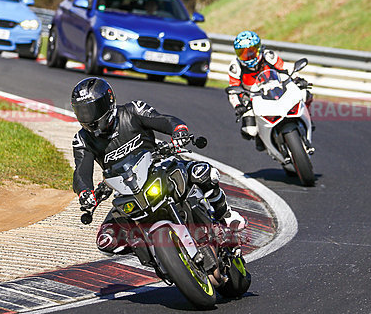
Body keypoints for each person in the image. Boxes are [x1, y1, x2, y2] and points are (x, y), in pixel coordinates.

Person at [71, 77, 245, 255]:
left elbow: (163, 119)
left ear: (108, 100)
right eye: (83, 112)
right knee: (106, 240)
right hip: (127, 189)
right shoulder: (82, 140)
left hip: (159, 167)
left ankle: (226, 215)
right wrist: (85, 192)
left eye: (93, 109)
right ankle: (155, 255)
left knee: (203, 173)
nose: (89, 117)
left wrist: (179, 131)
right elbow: (81, 172)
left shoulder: (133, 110)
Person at [226, 30, 312, 148]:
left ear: (258, 48)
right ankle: (261, 139)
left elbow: (285, 68)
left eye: (251, 52)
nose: (248, 56)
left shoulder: (268, 55)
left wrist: (298, 79)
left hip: (275, 88)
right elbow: (232, 91)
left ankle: (307, 117)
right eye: (243, 53)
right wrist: (238, 106)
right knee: (249, 130)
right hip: (251, 96)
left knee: (305, 94)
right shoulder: (235, 66)